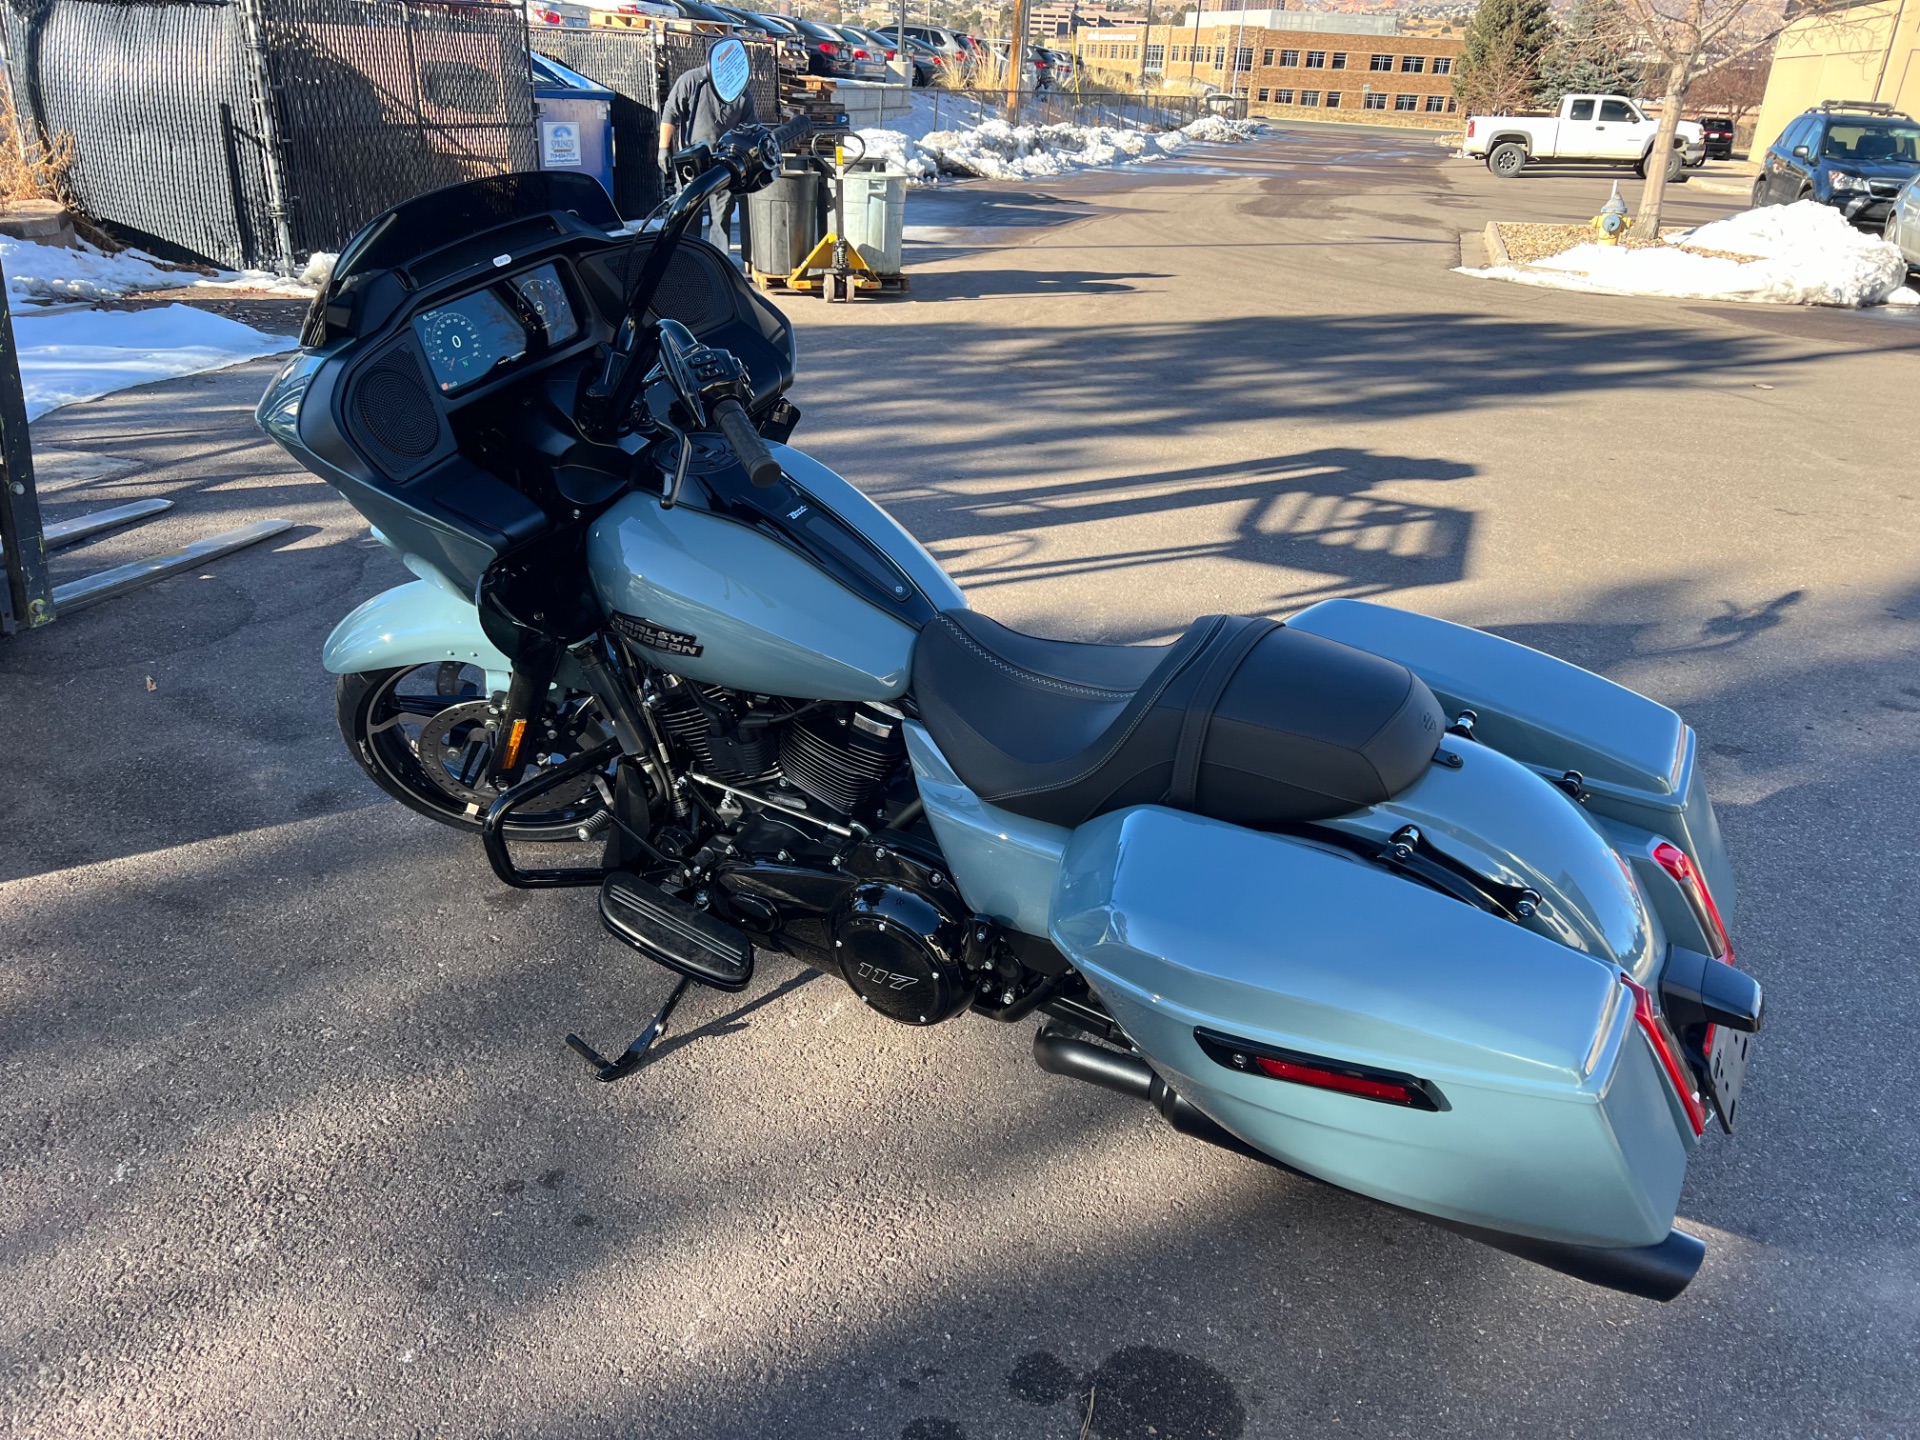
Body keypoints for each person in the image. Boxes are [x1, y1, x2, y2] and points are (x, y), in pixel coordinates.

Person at [658, 46, 759, 257]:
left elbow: (749, 129)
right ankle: (688, 258)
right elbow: (670, 113)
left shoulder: (741, 92)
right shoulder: (691, 81)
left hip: (725, 164)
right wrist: (663, 148)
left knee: (722, 215)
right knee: (688, 213)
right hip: (692, 162)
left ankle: (717, 260)